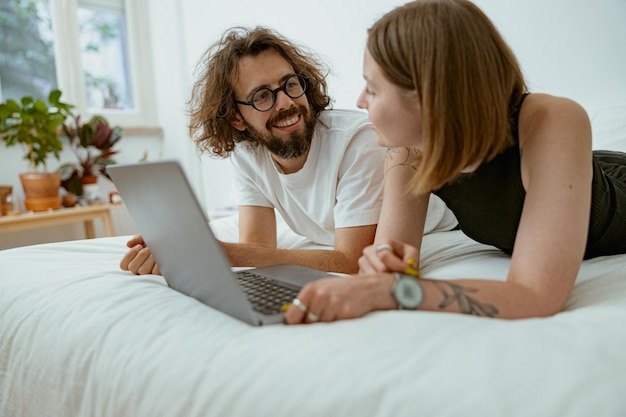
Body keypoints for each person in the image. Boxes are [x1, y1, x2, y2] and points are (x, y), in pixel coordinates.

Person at [284, 0, 626, 324]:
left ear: (426, 95)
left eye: (372, 88)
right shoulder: (408, 151)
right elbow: (397, 263)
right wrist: (383, 268)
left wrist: (394, 290)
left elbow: (536, 296)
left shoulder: (552, 119)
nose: (360, 102)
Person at [120, 26, 454, 276]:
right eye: (262, 96)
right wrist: (180, 249)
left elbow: (351, 260)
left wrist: (217, 253)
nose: (287, 103)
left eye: (290, 84)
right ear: (236, 117)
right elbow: (258, 248)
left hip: (434, 232)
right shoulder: (249, 153)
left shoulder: (359, 141)